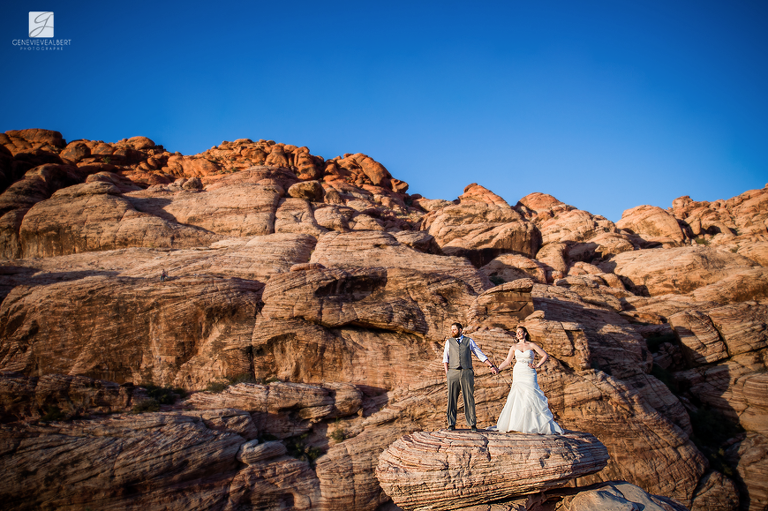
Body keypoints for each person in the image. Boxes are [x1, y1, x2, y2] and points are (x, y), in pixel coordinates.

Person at [494, 326, 563, 434]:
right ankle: (516, 424)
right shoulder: (514, 347)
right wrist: (498, 368)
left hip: (529, 371)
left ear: (525, 333)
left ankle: (533, 424)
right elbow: (507, 361)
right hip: (518, 372)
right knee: (518, 395)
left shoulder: (531, 345)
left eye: (520, 332)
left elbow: (545, 355)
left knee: (531, 394)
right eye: (517, 333)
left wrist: (538, 365)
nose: (519, 334)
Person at [443, 322, 499, 432]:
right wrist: (448, 373)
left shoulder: (469, 341)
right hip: (453, 373)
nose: (452, 331)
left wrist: (491, 365)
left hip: (466, 372)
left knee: (469, 397)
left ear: (460, 330)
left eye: (454, 329)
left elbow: (479, 354)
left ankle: (472, 423)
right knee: (452, 398)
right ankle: (451, 423)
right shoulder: (449, 342)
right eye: (451, 329)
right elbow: (445, 359)